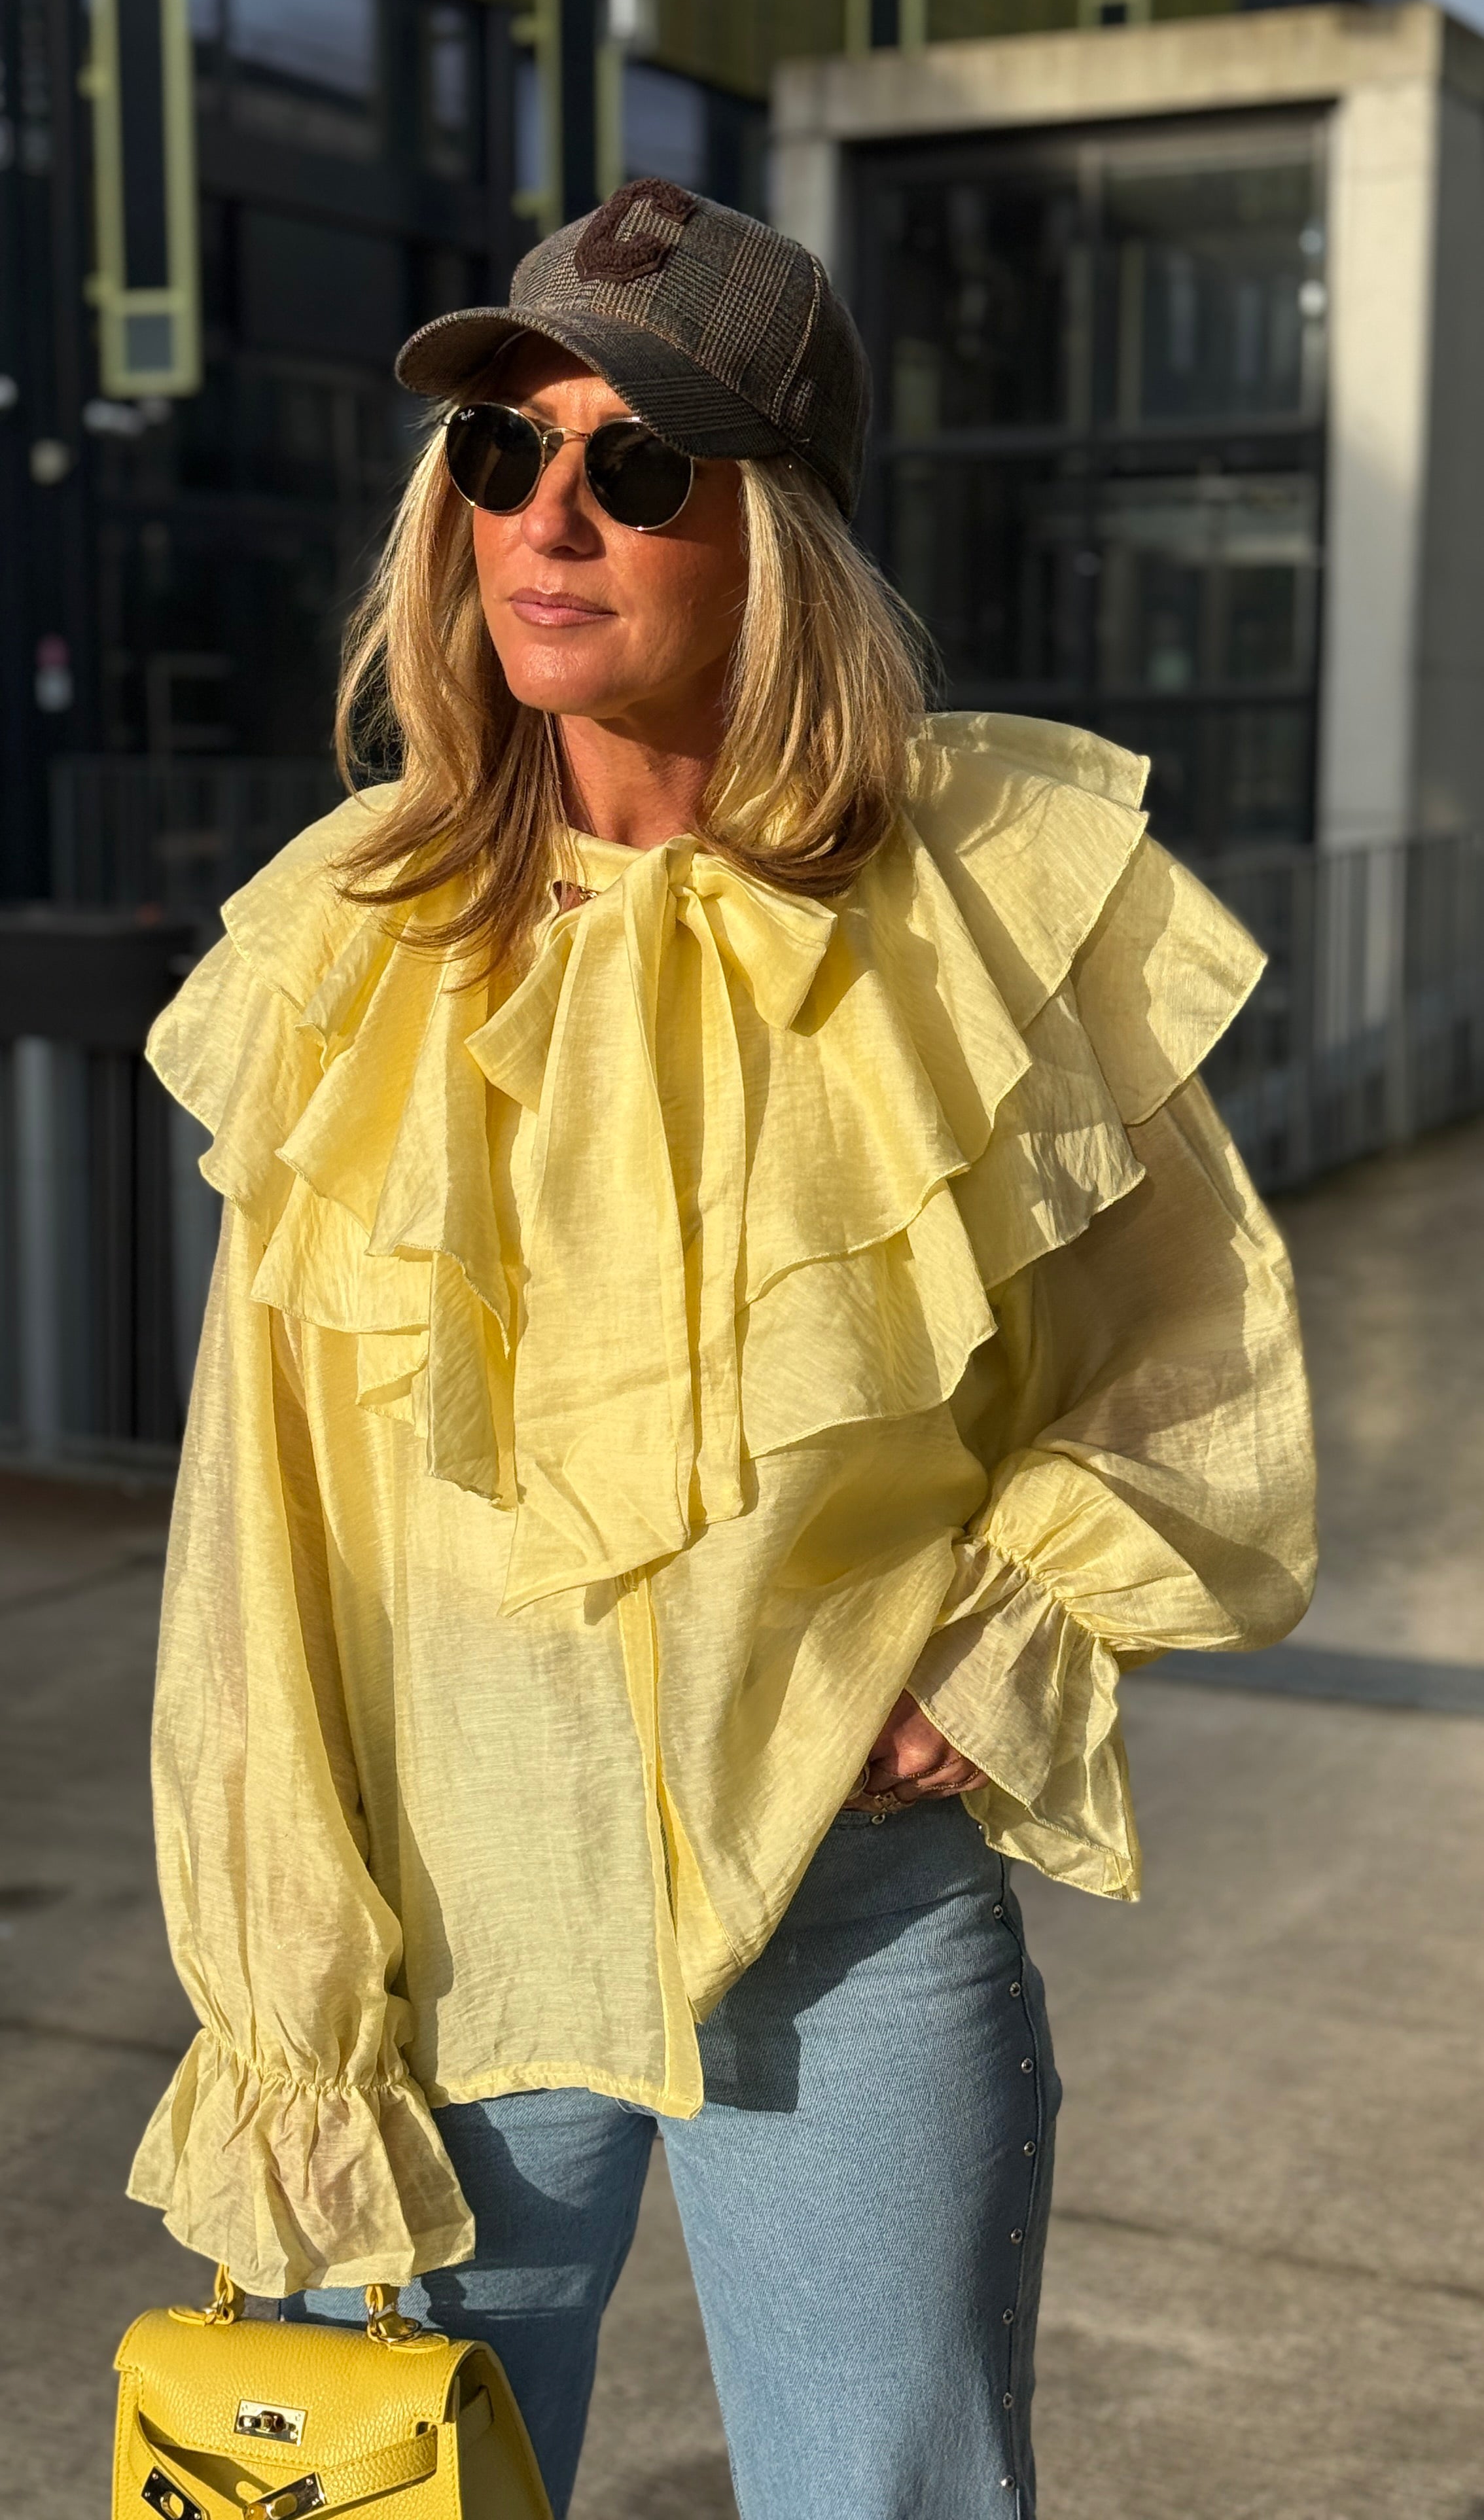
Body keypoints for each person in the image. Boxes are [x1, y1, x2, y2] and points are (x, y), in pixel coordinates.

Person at [132, 180, 1316, 2520]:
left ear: (774, 533)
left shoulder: (982, 902)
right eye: (503, 452)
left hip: (843, 1919)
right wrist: (291, 2002)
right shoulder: (347, 944)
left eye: (637, 465)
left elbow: (1191, 1358)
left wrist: (984, 1654)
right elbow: (254, 1542)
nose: (546, 520)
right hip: (439, 1945)